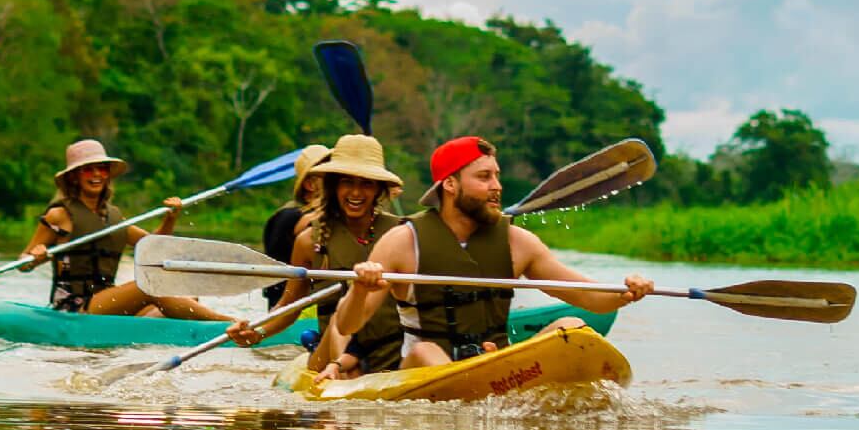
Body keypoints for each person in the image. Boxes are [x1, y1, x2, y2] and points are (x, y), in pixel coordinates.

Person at [331, 136, 654, 370]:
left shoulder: (518, 242)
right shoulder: (402, 241)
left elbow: (589, 297)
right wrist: (360, 288)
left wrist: (626, 292)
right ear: (450, 185)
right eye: (484, 177)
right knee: (425, 351)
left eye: (496, 176)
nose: (497, 186)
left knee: (571, 325)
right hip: (424, 368)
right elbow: (347, 325)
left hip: (496, 363)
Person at [233, 135, 406, 377]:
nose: (356, 192)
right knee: (338, 322)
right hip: (332, 350)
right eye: (347, 182)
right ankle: (344, 374)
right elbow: (290, 305)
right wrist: (258, 332)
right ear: (334, 186)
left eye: (367, 183)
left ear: (378, 188)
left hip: (391, 348)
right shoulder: (308, 241)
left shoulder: (402, 232)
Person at [24, 139, 234, 321]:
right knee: (149, 285)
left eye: (102, 168)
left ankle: (193, 331)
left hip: (106, 303)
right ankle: (228, 323)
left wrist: (170, 218)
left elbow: (154, 247)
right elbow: (24, 263)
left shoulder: (114, 219)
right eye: (88, 169)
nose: (96, 174)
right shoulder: (59, 215)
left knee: (183, 292)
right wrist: (36, 257)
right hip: (73, 307)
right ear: (74, 177)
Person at [260, 144, 330, 305]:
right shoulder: (288, 217)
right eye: (329, 175)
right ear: (310, 184)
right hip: (290, 306)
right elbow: (311, 224)